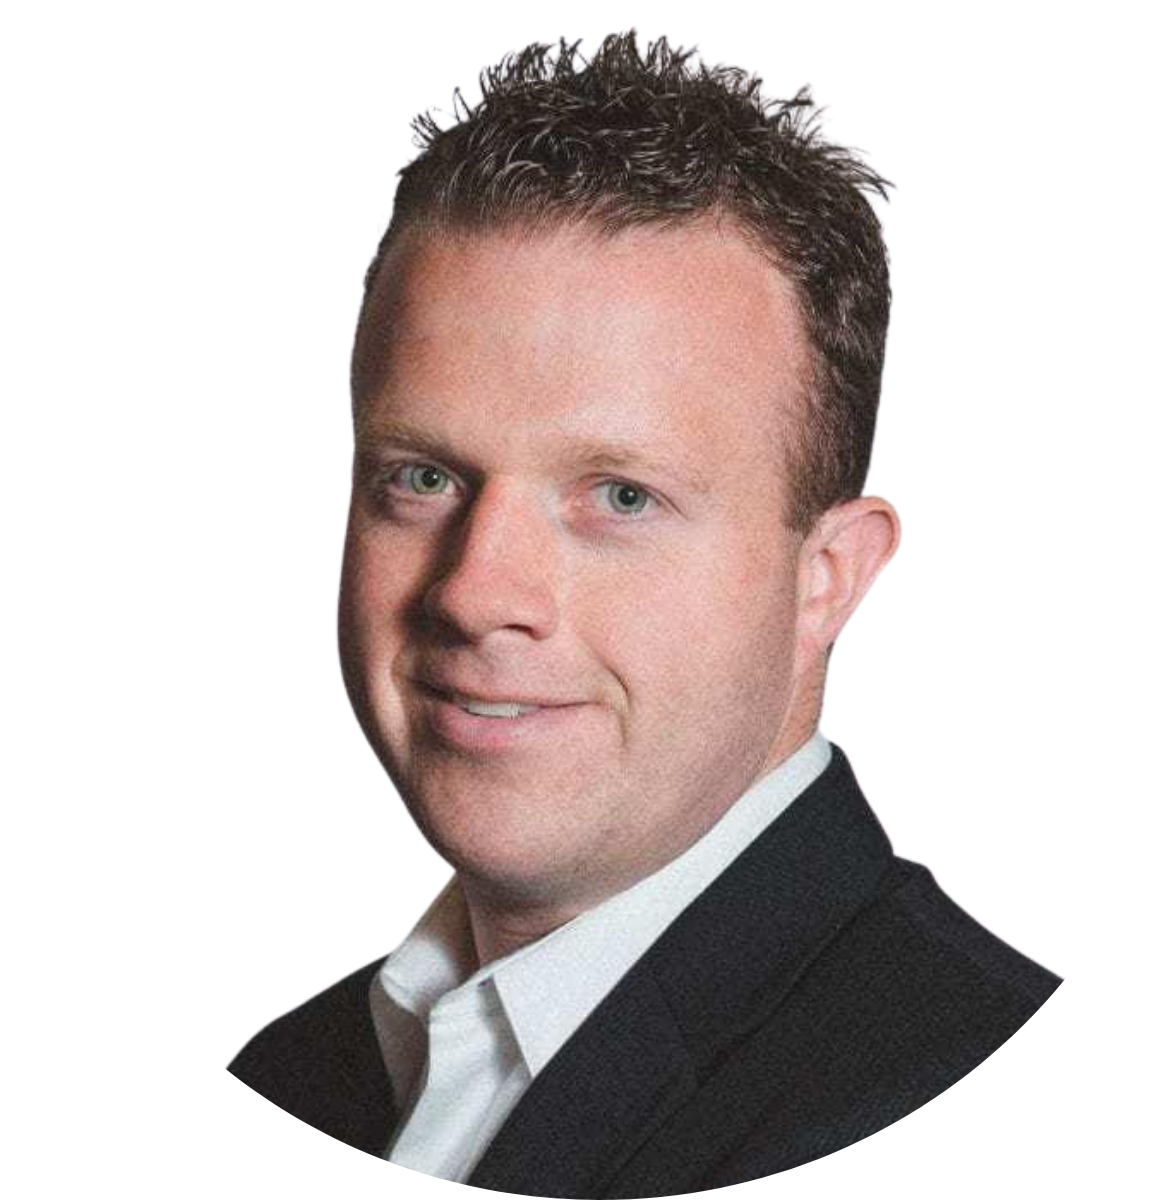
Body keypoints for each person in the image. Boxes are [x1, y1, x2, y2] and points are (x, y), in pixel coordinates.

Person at [229, 33, 1060, 1195]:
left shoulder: (990, 1108)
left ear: (828, 574)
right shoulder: (290, 1082)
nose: (477, 595)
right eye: (422, 477)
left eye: (621, 496)